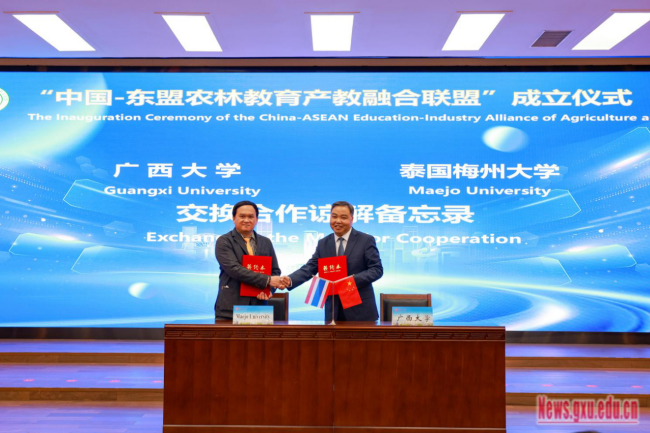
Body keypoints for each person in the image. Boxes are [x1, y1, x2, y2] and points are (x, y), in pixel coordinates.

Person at [281, 201, 383, 321]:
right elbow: (310, 267)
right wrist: (290, 280)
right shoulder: (323, 243)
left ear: (352, 219)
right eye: (334, 216)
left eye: (343, 217)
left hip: (360, 309)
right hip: (333, 309)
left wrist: (349, 281)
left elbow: (376, 269)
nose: (338, 221)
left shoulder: (365, 240)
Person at [214, 200, 287, 320]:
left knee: (258, 334)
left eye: (251, 217)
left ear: (256, 219)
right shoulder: (224, 241)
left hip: (259, 307)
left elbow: (275, 270)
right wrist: (268, 280)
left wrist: (269, 290)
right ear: (234, 218)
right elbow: (234, 269)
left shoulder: (266, 242)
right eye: (242, 216)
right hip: (231, 307)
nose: (246, 220)